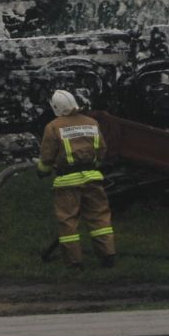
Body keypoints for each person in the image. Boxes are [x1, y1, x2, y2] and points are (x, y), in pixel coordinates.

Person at [36, 89, 115, 269]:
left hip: (67, 182)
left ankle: (74, 263)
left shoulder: (54, 127)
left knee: (68, 222)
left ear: (56, 107)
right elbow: (102, 150)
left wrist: (42, 171)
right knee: (99, 218)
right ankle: (108, 256)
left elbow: (46, 158)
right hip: (93, 178)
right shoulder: (92, 123)